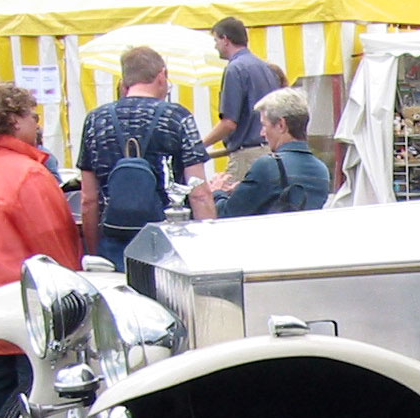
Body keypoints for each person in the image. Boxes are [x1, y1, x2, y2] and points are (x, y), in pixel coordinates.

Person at [0, 83, 81, 418]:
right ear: (13, 120)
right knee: (36, 389)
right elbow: (55, 242)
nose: (37, 122)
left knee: (3, 386)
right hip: (28, 302)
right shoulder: (28, 174)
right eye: (31, 115)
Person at [78, 46, 215, 269]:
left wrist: (94, 251)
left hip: (114, 239)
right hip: (168, 240)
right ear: (162, 76)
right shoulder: (177, 117)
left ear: (125, 80)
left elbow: (88, 199)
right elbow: (199, 193)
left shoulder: (95, 120)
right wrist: (208, 249)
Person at [209, 88, 329, 217]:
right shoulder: (322, 170)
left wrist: (217, 192)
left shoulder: (268, 166)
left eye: (264, 125)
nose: (262, 133)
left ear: (281, 125)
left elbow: (227, 214)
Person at [203, 16, 278, 178]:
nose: (215, 46)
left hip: (247, 155)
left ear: (225, 39)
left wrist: (200, 146)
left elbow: (229, 123)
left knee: (227, 193)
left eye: (216, 40)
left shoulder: (235, 69)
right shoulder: (265, 67)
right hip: (270, 150)